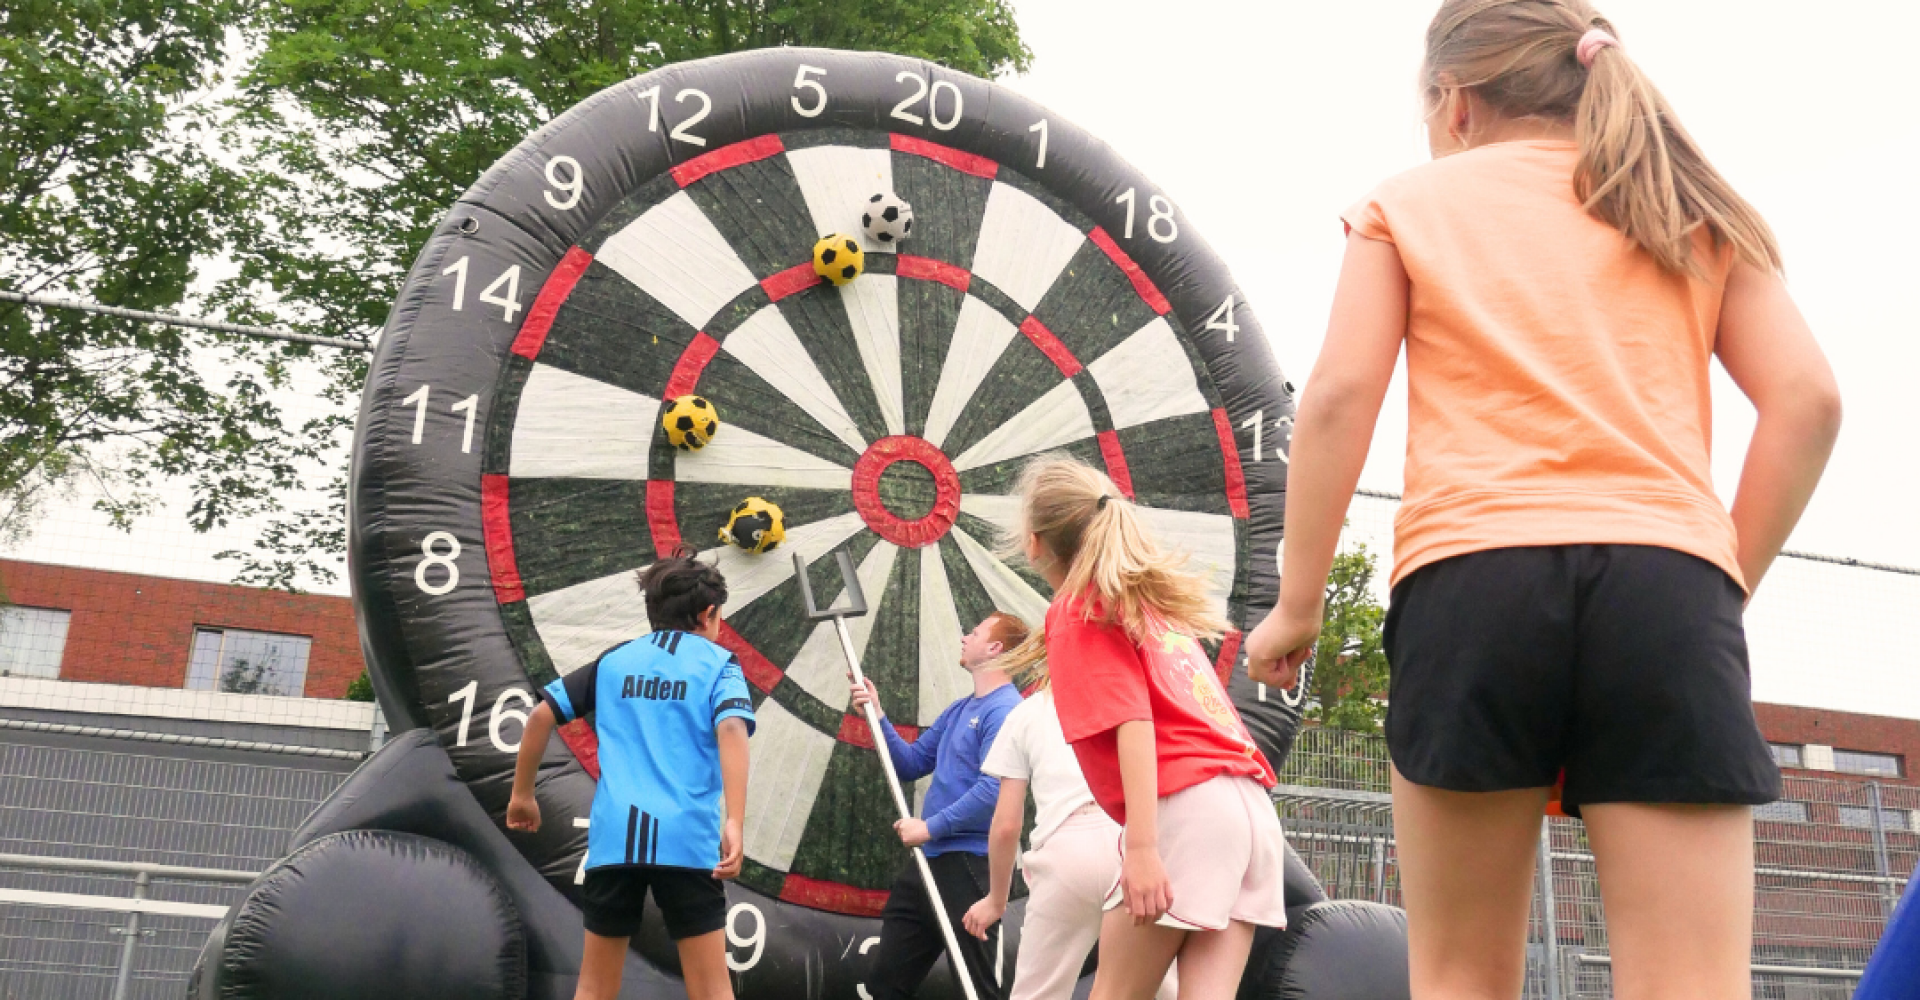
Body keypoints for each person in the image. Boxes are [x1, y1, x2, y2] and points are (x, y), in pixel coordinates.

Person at [1241, 4, 1843, 1000]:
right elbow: (1809, 400)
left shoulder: (1407, 203)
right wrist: (1718, 579)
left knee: (1461, 977)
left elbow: (1341, 396)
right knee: (1692, 981)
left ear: (1456, 100)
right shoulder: (1684, 203)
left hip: (1471, 581)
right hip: (1667, 582)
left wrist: (1297, 604)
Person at [1005, 456, 1287, 1000]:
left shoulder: (1078, 609)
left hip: (1186, 807)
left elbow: (1133, 721)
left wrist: (1140, 848)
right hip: (1250, 809)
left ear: (1035, 542)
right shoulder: (1154, 610)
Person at [507, 549, 755, 1000]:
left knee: (595, 986)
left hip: (614, 839)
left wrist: (523, 795)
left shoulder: (614, 661)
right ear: (709, 613)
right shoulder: (720, 664)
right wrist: (734, 820)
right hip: (686, 839)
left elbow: (541, 716)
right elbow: (732, 728)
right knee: (710, 989)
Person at [961, 664, 1178, 1000]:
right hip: (1134, 841)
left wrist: (997, 899)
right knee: (1161, 988)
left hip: (1067, 851)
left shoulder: (1026, 712)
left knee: (1037, 993)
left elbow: (1006, 826)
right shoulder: (1135, 695)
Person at [849, 612, 1030, 1000]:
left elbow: (993, 792)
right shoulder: (960, 708)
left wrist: (930, 828)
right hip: (927, 865)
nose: (966, 637)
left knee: (978, 990)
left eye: (976, 632)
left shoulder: (1006, 711)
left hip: (969, 868)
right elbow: (912, 763)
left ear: (995, 648)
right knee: (885, 985)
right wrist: (877, 714)